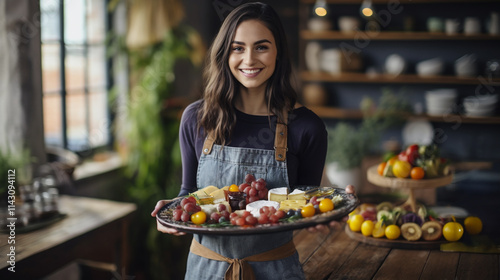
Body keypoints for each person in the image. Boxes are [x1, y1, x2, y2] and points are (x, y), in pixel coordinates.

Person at [151, 2, 355, 279]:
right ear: (225, 54)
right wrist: (171, 211)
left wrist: (331, 210)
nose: (249, 60)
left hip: (275, 269)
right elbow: (188, 194)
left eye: (261, 47)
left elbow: (304, 205)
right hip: (205, 269)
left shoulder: (306, 127)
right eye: (238, 48)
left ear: (278, 52)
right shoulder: (197, 118)